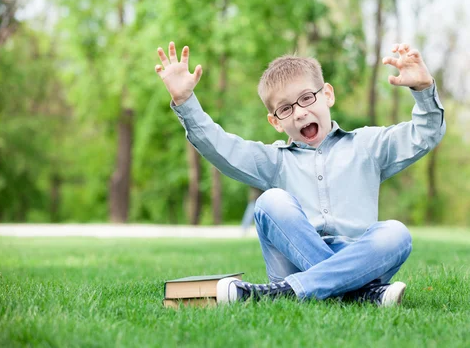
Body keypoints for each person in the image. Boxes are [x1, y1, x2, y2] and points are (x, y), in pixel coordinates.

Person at [154, 41, 445, 306]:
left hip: (358, 257)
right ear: (275, 121)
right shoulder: (275, 161)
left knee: (396, 233)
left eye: (307, 98)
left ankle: (282, 293)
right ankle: (358, 294)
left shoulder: (367, 145)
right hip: (291, 262)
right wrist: (186, 102)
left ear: (327, 94)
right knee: (270, 201)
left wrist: (423, 90)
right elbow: (220, 147)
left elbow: (425, 133)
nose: (299, 113)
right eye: (285, 109)